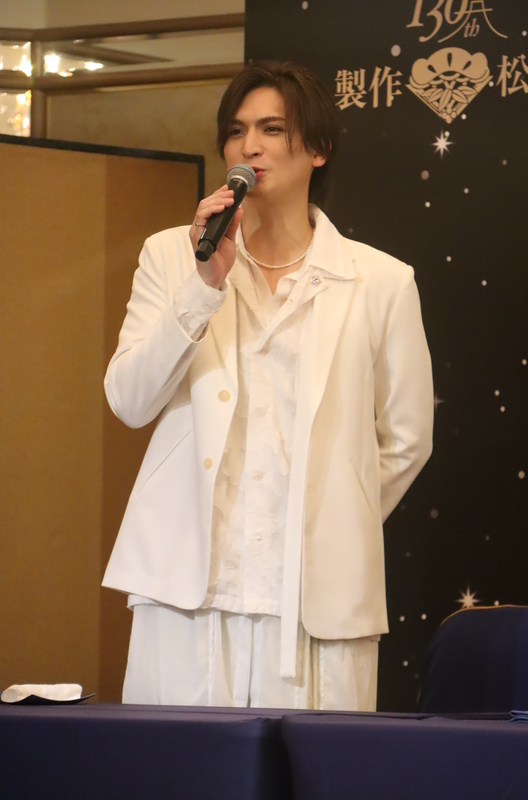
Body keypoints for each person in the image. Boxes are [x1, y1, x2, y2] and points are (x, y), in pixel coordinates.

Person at [102, 61, 434, 711]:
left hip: (315, 600)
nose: (249, 146)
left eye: (272, 129)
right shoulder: (173, 255)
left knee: (315, 766)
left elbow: (406, 439)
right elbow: (129, 400)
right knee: (180, 764)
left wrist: (330, 516)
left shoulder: (381, 281)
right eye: (236, 131)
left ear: (318, 149)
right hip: (188, 590)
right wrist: (202, 288)